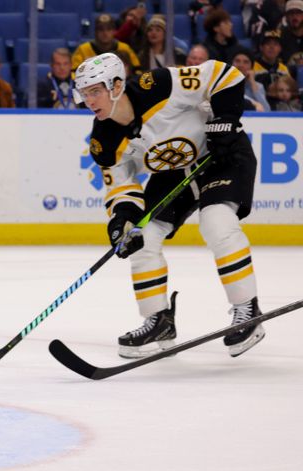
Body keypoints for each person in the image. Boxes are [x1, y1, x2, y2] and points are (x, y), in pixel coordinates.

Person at [73, 52, 265, 359]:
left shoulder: (158, 85)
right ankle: (158, 320)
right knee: (142, 236)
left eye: (95, 91)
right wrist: (122, 219)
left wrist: (225, 119)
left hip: (221, 156)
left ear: (117, 85)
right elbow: (120, 183)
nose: (89, 100)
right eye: (84, 94)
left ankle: (247, 309)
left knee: (216, 221)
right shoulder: (104, 139)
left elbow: (223, 73)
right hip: (174, 173)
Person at [72, 14, 141, 74]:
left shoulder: (124, 48)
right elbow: (74, 72)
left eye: (109, 29)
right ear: (95, 32)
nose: (105, 33)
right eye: (101, 29)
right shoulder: (83, 49)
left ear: (114, 31)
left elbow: (137, 71)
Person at [280, 0, 303, 67]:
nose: (294, 16)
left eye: (298, 13)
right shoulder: (280, 37)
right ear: (286, 16)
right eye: (291, 13)